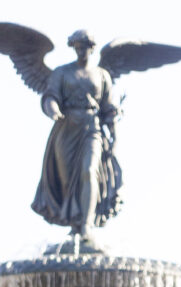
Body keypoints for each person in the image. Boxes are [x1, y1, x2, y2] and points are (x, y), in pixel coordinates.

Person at [32, 28, 122, 243]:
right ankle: (74, 226)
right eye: (78, 47)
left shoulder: (102, 75)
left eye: (85, 47)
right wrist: (53, 109)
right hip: (66, 127)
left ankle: (86, 226)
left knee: (89, 171)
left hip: (92, 128)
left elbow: (109, 107)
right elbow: (50, 96)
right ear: (73, 47)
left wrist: (114, 135)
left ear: (92, 48)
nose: (81, 51)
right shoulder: (61, 73)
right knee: (66, 180)